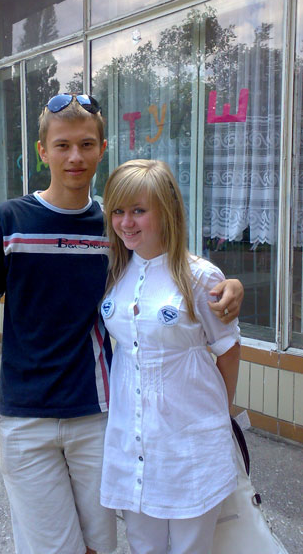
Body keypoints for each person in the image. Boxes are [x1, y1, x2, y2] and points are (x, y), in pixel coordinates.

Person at [0, 94, 244, 554]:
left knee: (100, 545)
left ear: (102, 148)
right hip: (25, 415)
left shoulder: (115, 230)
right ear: (42, 151)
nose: (75, 156)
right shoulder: (7, 221)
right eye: (62, 145)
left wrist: (229, 284)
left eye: (86, 144)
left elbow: (167, 268)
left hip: (101, 415)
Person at [100, 158, 241, 554]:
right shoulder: (116, 272)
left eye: (139, 211)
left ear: (166, 211)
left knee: (190, 548)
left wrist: (218, 417)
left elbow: (228, 350)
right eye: (118, 211)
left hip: (189, 444)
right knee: (142, 546)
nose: (126, 222)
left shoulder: (200, 277)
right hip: (131, 440)